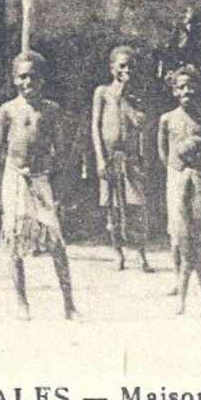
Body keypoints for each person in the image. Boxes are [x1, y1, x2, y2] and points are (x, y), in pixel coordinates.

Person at [0, 51, 80, 321]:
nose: (28, 82)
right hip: (14, 178)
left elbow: (62, 152)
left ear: (43, 80)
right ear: (14, 78)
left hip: (40, 179)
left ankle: (69, 304)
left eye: (34, 76)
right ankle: (22, 303)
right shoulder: (7, 110)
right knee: (14, 239)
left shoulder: (51, 110)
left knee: (56, 241)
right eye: (22, 76)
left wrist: (61, 190)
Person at [157, 65, 201, 316]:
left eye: (191, 86)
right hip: (176, 177)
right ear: (174, 91)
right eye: (181, 87)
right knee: (177, 229)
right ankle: (177, 278)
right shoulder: (167, 119)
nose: (187, 91)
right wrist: (175, 170)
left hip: (199, 177)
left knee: (199, 228)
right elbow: (163, 151)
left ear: (199, 88)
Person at [88, 46, 153, 273]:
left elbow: (141, 128)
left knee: (137, 207)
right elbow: (95, 126)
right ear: (112, 67)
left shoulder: (135, 97)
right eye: (122, 65)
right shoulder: (103, 92)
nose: (127, 70)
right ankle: (118, 254)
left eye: (130, 66)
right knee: (112, 210)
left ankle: (142, 255)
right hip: (109, 158)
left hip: (131, 159)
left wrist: (143, 156)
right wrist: (99, 159)